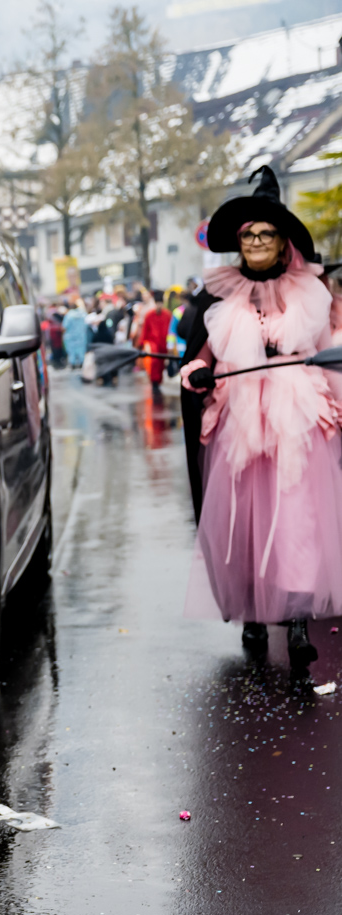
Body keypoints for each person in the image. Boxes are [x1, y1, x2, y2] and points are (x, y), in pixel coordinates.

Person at [178, 165, 342, 682]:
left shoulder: (312, 293)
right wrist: (199, 373)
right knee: (245, 518)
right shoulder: (217, 298)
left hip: (298, 418)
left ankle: (295, 622)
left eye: (265, 234)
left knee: (296, 517)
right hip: (241, 421)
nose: (255, 242)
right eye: (247, 235)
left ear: (282, 241)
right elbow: (196, 358)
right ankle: (252, 612)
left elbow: (328, 350)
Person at [136, 288, 172, 399]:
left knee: (160, 365)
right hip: (153, 343)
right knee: (154, 363)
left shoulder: (167, 315)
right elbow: (145, 330)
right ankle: (154, 382)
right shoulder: (149, 315)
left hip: (163, 343)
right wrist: (141, 343)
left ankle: (157, 382)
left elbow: (170, 330)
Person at [62, 295, 90, 368]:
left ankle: (73, 364)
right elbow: (87, 324)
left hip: (70, 337)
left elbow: (64, 326)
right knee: (81, 351)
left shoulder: (69, 315)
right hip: (81, 337)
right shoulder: (83, 314)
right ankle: (82, 364)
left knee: (72, 353)